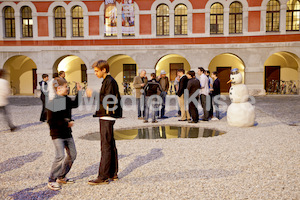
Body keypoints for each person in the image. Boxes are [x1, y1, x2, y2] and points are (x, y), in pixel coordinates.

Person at [87, 60, 122, 185]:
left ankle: (103, 176)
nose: (95, 73)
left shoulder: (109, 81)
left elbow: (109, 99)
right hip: (107, 115)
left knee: (106, 146)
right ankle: (113, 173)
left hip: (107, 116)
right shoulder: (108, 81)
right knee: (110, 144)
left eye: (97, 71)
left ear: (104, 70)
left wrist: (94, 94)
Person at [47, 78, 81, 191]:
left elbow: (75, 104)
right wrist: (66, 123)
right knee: (60, 156)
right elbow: (51, 121)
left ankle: (61, 176)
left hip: (67, 133)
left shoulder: (65, 99)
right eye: (66, 86)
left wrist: (79, 92)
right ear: (58, 88)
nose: (68, 88)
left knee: (73, 154)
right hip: (57, 134)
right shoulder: (53, 102)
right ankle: (51, 180)